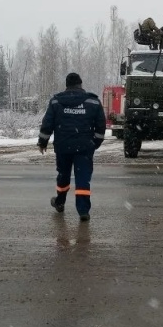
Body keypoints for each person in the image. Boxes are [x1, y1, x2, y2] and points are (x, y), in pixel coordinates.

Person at [37, 73, 106, 222]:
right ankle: (83, 211)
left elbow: (47, 123)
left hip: (63, 147)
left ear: (67, 85)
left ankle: (60, 202)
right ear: (80, 84)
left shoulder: (56, 101)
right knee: (83, 179)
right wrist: (95, 143)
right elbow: (101, 126)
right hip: (84, 147)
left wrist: (42, 142)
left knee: (63, 175)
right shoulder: (93, 102)